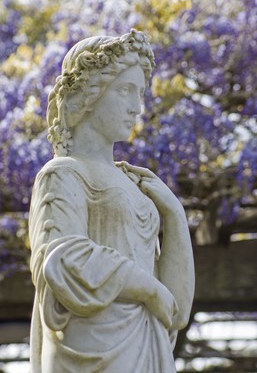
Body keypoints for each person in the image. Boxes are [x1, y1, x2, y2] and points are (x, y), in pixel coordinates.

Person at [29, 28, 195, 373]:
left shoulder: (136, 186)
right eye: (125, 90)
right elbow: (64, 260)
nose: (137, 107)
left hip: (144, 343)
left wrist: (174, 215)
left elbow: (175, 310)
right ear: (89, 95)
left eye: (140, 93)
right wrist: (148, 288)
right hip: (89, 344)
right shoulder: (63, 174)